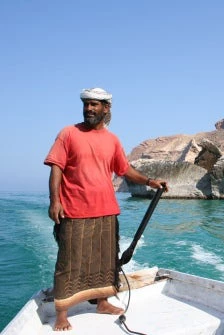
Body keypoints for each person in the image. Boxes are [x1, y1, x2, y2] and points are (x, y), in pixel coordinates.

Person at [44, 87, 168, 331]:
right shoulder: (68, 134)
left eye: (94, 105)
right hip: (74, 211)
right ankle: (61, 313)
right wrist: (54, 201)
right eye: (86, 104)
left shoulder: (112, 140)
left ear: (106, 108)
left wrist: (149, 181)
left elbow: (124, 169)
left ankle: (102, 302)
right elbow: (56, 167)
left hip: (106, 211)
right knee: (69, 262)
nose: (89, 109)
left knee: (106, 261)